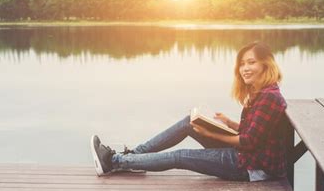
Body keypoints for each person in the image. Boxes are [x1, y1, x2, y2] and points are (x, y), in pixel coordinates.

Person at [90, 41, 288, 182]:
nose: (245, 68)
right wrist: (228, 123)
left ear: (266, 64)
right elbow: (253, 132)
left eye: (251, 62)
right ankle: (135, 156)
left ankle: (115, 162)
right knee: (190, 123)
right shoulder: (262, 93)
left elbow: (249, 141)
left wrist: (211, 134)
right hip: (246, 156)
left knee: (181, 156)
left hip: (251, 167)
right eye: (242, 64)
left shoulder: (269, 97)